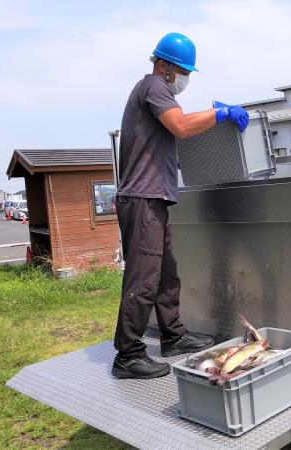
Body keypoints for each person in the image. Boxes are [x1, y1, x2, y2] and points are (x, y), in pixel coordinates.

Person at [113, 32, 250, 379]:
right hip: (142, 198)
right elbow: (181, 125)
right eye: (182, 71)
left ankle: (173, 337)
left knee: (166, 273)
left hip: (153, 198)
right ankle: (128, 355)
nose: (185, 78)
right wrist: (220, 114)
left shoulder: (153, 91)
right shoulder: (154, 86)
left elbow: (173, 140)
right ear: (163, 65)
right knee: (143, 278)